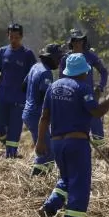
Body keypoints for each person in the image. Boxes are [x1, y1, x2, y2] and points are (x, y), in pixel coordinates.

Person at [36, 53, 109, 217]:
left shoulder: (53, 87)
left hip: (57, 143)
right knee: (80, 184)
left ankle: (49, 207)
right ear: (84, 72)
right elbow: (96, 112)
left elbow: (44, 117)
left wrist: (40, 142)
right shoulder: (82, 87)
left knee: (66, 179)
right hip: (76, 144)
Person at [0, 22, 35, 158]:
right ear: (8, 36)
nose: (13, 40)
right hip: (2, 96)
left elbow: (32, 76)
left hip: (19, 98)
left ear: (21, 37)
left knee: (15, 129)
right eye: (11, 37)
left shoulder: (27, 54)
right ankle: (6, 143)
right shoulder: (2, 52)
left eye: (16, 37)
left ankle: (11, 155)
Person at [59, 29, 109, 148]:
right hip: (72, 98)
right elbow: (61, 79)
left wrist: (100, 87)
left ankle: (101, 151)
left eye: (80, 40)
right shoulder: (65, 58)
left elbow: (103, 72)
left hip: (89, 96)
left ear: (83, 41)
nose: (77, 43)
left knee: (95, 122)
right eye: (75, 41)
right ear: (71, 42)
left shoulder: (90, 56)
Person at [23, 43, 64, 176]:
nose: (59, 62)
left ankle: (40, 179)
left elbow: (24, 86)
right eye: (58, 58)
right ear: (49, 58)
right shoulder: (46, 73)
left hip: (28, 113)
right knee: (47, 152)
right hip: (36, 115)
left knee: (46, 149)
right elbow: (45, 98)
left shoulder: (35, 67)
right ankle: (36, 182)